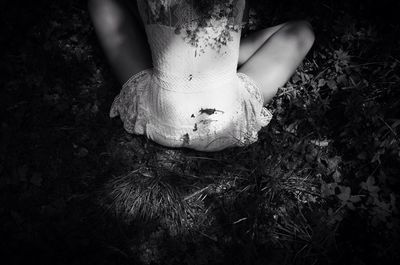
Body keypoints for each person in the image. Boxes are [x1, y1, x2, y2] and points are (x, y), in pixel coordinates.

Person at [88, 0, 315, 151]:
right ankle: (218, 61)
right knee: (301, 30)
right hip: (228, 120)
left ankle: (180, 60)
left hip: (157, 117)